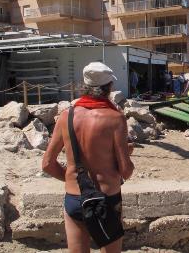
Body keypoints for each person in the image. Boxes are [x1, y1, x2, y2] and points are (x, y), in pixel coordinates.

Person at [42, 62, 135, 253]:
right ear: (109, 87)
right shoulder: (115, 118)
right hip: (107, 198)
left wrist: (74, 180)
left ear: (84, 86)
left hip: (75, 198)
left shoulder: (66, 116)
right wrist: (127, 153)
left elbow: (47, 164)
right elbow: (126, 171)